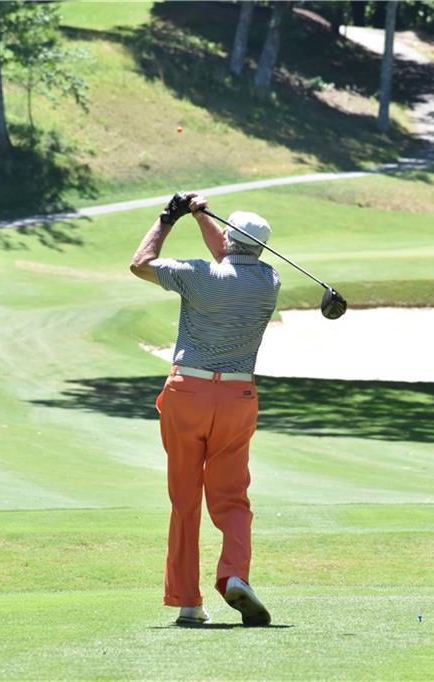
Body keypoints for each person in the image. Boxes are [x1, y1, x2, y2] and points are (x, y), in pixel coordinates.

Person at [129, 191, 281, 626]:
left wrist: (170, 218)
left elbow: (140, 264)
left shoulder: (197, 275)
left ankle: (188, 603)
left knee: (185, 500)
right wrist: (202, 218)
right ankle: (234, 575)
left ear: (230, 239)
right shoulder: (269, 280)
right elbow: (232, 259)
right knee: (232, 498)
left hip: (188, 393)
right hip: (237, 398)